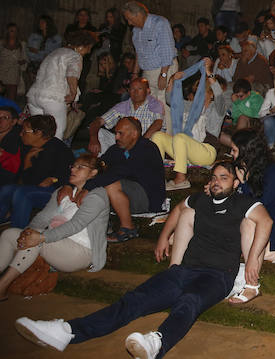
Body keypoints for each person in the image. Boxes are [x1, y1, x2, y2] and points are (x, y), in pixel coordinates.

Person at [16, 161, 271, 357]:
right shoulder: (200, 199)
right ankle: (68, 331)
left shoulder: (242, 203)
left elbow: (266, 222)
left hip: (217, 276)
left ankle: (156, 343)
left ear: (235, 183)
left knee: (190, 301)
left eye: (223, 178)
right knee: (134, 299)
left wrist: (251, 261)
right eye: (214, 177)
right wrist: (163, 237)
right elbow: (179, 209)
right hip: (183, 271)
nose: (216, 182)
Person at [0, 155, 109, 300]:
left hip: (81, 252)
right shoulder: (62, 192)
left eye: (80, 167)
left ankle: (2, 287)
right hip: (54, 243)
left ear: (93, 172)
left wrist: (41, 236)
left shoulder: (98, 195)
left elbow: (76, 225)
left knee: (37, 240)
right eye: (73, 166)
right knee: (9, 234)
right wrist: (27, 232)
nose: (73, 170)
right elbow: (43, 217)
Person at [88, 118, 166, 243]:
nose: (116, 137)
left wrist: (88, 187)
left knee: (110, 185)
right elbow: (100, 165)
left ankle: (128, 228)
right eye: (116, 133)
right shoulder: (116, 149)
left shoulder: (146, 148)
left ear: (134, 134)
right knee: (91, 177)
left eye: (120, 133)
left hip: (147, 198)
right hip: (126, 194)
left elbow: (121, 172)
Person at [150, 59, 220, 191]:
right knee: (158, 136)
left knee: (180, 137)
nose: (198, 93)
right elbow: (171, 100)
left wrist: (208, 72)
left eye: (202, 90)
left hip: (206, 151)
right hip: (185, 149)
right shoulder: (190, 107)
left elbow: (220, 96)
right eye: (197, 90)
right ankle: (157, 176)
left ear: (211, 94)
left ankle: (181, 179)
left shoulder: (216, 108)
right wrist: (173, 79)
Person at [231, 129, 275, 270]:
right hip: (242, 226)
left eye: (234, 150)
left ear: (246, 151)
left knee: (248, 222)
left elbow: (261, 204)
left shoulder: (274, 172)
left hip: (270, 227)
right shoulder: (237, 168)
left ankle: (249, 275)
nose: (231, 154)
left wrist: (244, 183)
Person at [0, 115, 73, 228]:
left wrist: (54, 179)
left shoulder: (59, 150)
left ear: (38, 133)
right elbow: (27, 180)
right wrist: (27, 161)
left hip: (56, 193)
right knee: (7, 189)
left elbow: (67, 175)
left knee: (23, 193)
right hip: (34, 186)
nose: (21, 134)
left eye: (25, 131)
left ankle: (17, 230)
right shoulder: (28, 148)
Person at [26, 30, 96, 139]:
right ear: (81, 46)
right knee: (56, 134)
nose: (89, 51)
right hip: (52, 98)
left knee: (38, 134)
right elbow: (72, 74)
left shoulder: (55, 52)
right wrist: (73, 93)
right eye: (89, 48)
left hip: (34, 96)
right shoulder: (75, 56)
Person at [122, 1, 178, 133]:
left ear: (138, 14)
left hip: (164, 68)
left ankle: (168, 138)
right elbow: (139, 52)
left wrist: (163, 74)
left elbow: (167, 50)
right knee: (150, 105)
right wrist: (135, 74)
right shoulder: (136, 30)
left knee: (164, 105)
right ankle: (153, 137)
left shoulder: (160, 23)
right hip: (147, 72)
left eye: (130, 19)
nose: (129, 23)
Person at [87, 78, 164, 156]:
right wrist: (94, 139)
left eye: (139, 89)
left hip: (146, 145)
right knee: (99, 132)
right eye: (132, 89)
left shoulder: (154, 104)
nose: (136, 92)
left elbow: (158, 123)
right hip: (125, 143)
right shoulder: (123, 106)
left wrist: (140, 143)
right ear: (129, 91)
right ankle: (103, 162)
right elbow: (99, 121)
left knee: (156, 136)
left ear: (147, 91)